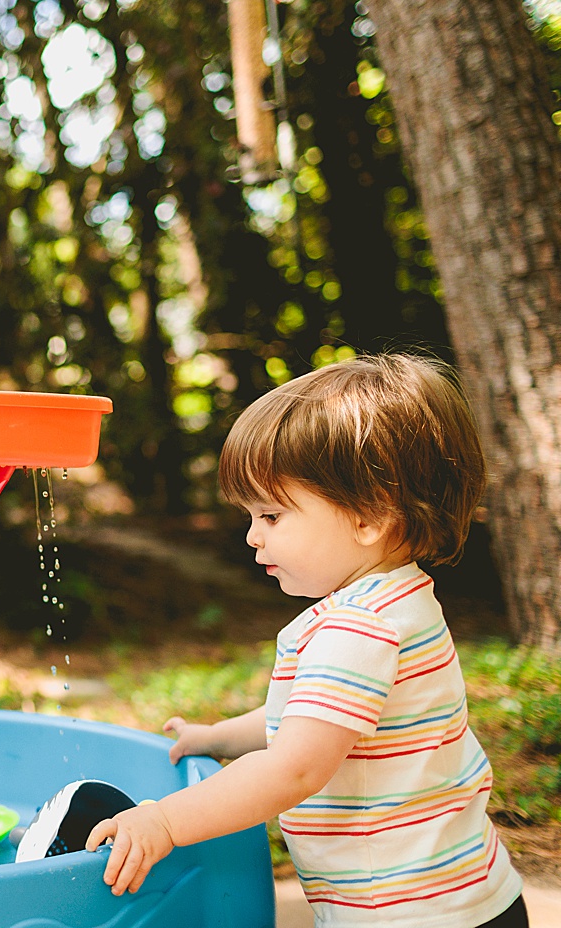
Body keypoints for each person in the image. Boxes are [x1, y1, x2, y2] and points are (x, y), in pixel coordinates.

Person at [85, 354, 527, 928]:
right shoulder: (399, 599)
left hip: (407, 912)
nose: (251, 536)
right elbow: (318, 721)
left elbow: (293, 768)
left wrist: (165, 822)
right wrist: (218, 736)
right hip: (464, 890)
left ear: (370, 516)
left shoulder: (357, 629)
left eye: (271, 516)